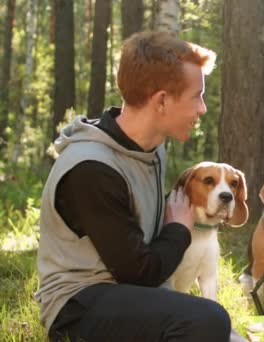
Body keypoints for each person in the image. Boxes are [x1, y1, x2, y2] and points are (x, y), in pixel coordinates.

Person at [35, 31, 231, 341]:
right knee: (208, 320)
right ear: (162, 100)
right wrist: (179, 229)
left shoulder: (153, 148)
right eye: (196, 96)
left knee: (213, 324)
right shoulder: (92, 169)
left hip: (128, 294)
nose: (202, 108)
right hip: (78, 308)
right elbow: (139, 272)